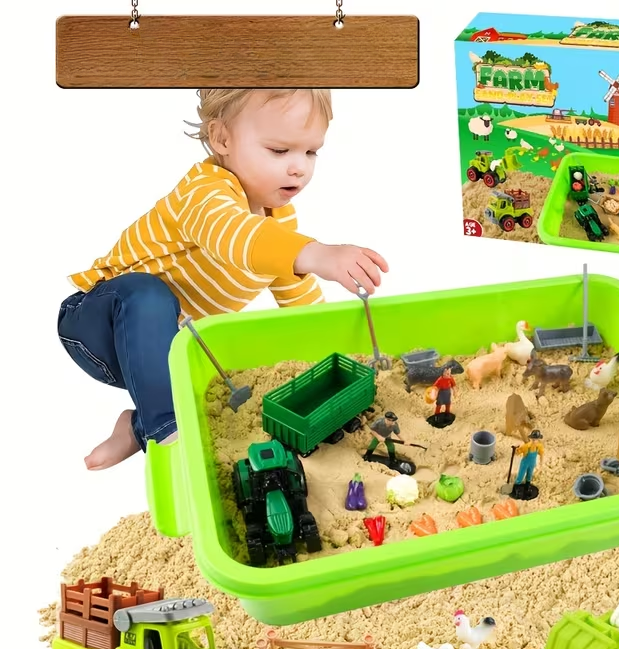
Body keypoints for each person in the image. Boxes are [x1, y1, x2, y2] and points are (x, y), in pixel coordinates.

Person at [57, 89, 389, 470]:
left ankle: (137, 426)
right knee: (148, 294)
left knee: (224, 358)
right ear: (222, 139)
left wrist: (339, 363)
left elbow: (303, 307)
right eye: (279, 150)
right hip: (96, 326)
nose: (299, 167)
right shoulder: (204, 192)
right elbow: (235, 236)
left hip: (161, 359)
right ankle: (167, 432)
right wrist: (317, 254)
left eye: (311, 152)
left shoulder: (279, 224)